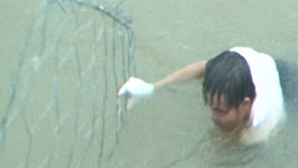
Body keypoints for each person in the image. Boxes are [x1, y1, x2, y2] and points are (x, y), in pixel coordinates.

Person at [118, 46, 286, 144]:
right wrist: (153, 88)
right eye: (211, 107)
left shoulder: (263, 123)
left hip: (285, 78)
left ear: (245, 105)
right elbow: (200, 68)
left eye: (221, 111)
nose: (213, 117)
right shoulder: (227, 69)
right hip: (247, 60)